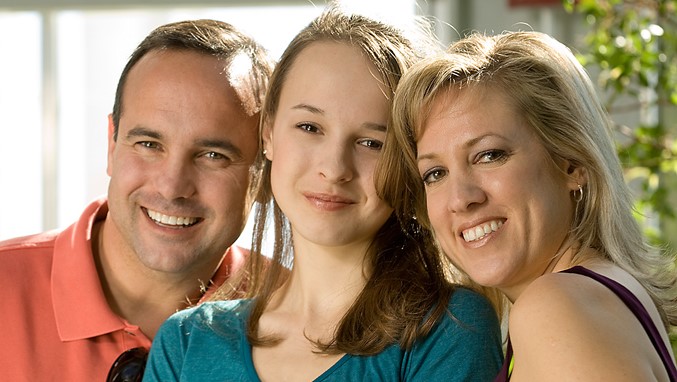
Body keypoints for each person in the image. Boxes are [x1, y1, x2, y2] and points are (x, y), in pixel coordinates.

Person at [143, 4, 504, 381]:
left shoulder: (449, 329)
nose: (334, 169)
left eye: (371, 142)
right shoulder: (184, 344)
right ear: (268, 133)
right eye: (310, 127)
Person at [376, 30, 677, 381]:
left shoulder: (557, 308)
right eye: (435, 173)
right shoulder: (596, 297)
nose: (461, 199)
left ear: (572, 164)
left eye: (489, 155)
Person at [0, 19, 274, 381]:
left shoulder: (305, 317)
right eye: (148, 144)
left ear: (264, 173)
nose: (172, 186)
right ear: (112, 144)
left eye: (212, 155)